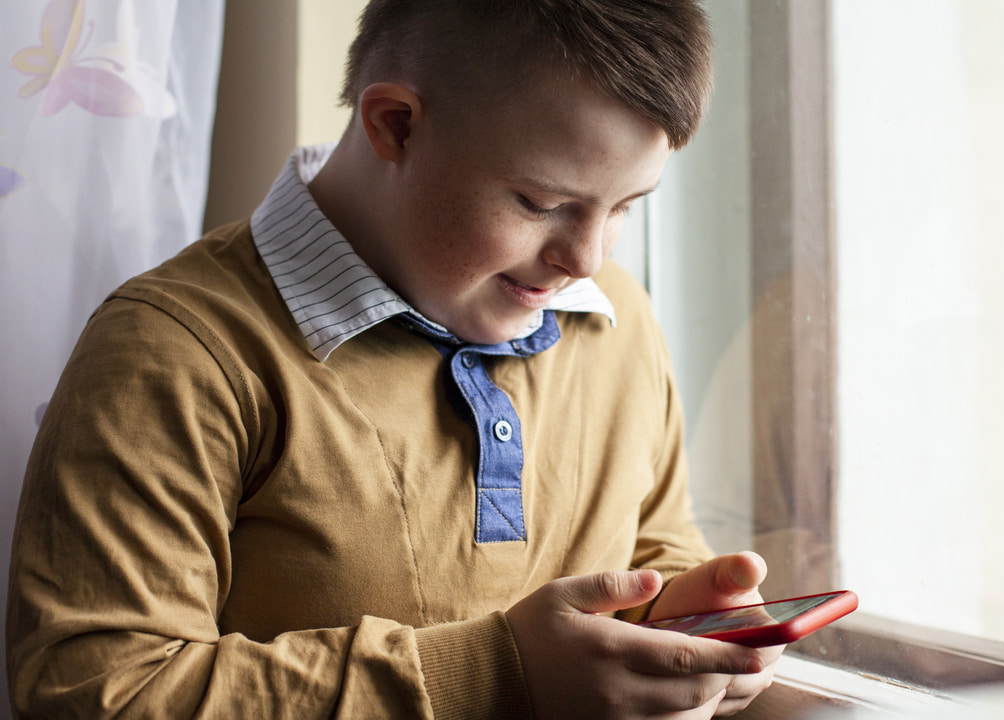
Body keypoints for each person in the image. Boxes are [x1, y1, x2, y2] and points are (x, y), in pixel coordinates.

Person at [6, 0, 784, 717]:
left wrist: (685, 623)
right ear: (396, 125)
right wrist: (496, 671)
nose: (584, 258)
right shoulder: (175, 353)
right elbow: (97, 689)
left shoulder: (614, 317)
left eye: (624, 207)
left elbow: (650, 545)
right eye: (541, 203)